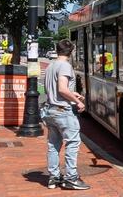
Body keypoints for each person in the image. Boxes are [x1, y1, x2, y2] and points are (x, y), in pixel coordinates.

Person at [42, 39, 90, 190]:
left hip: (50, 109)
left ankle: (54, 177)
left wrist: (72, 93)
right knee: (72, 143)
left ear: (57, 50)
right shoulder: (65, 66)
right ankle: (71, 178)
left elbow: (56, 89)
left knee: (53, 145)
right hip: (63, 111)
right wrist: (78, 101)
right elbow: (62, 89)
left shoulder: (51, 66)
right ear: (71, 52)